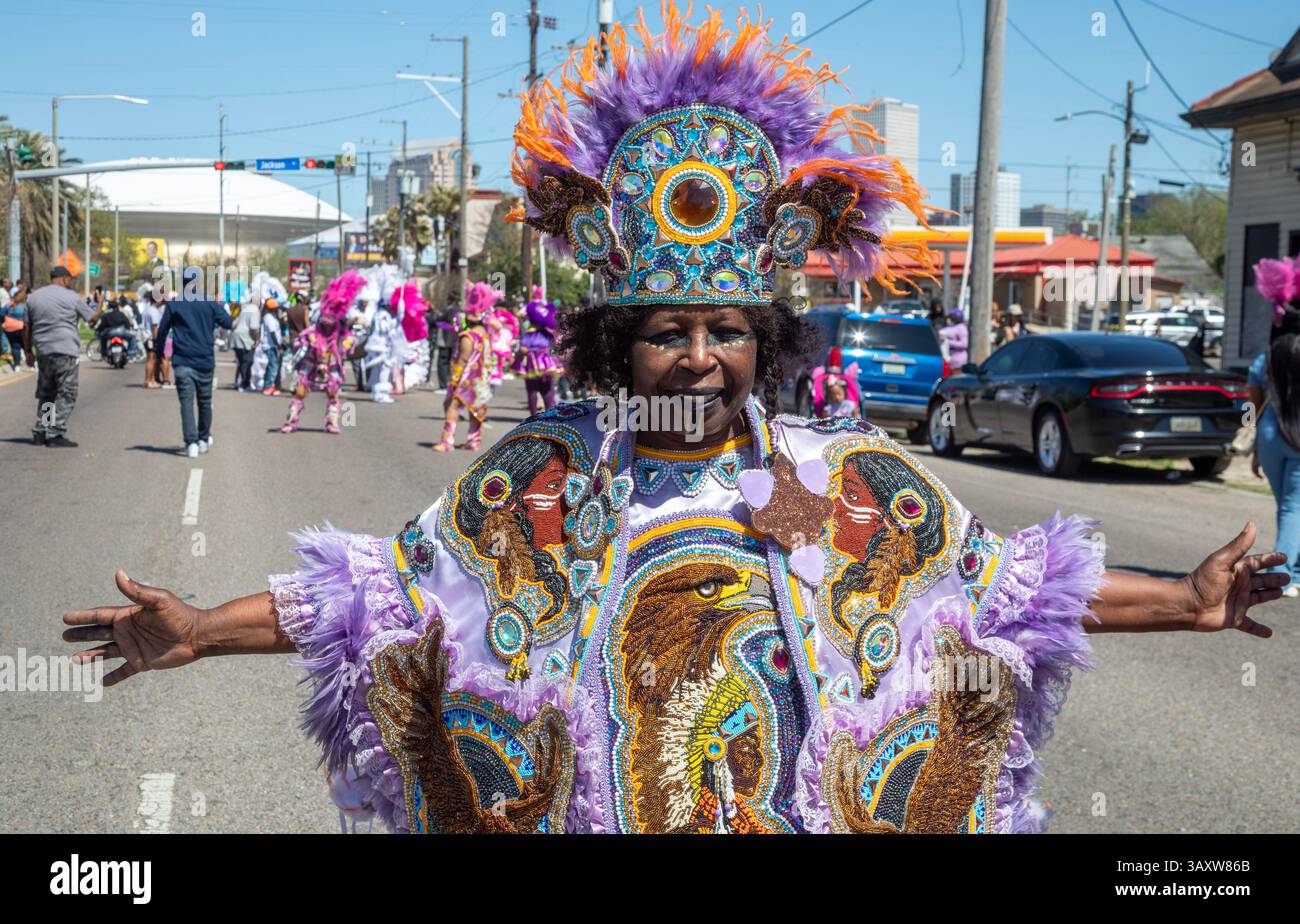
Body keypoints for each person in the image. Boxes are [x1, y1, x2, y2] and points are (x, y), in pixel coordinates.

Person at [62, 5, 1287, 836]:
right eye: (666, 332)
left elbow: (1003, 592)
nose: (698, 358)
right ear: (615, 342)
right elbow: (383, 594)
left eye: (726, 332)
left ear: (765, 342)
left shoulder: (851, 478)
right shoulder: (540, 474)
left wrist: (1186, 601)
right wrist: (201, 633)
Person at [1248, 254, 1300, 597]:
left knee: (1288, 506)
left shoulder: (1267, 355)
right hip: (1296, 436)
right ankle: (1285, 574)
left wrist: (1253, 438)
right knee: (1293, 507)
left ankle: (1291, 567)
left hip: (1268, 435)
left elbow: (1251, 399)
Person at [154, 266, 233, 457]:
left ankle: (191, 443)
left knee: (186, 403)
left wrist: (159, 352)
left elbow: (162, 330)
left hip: (182, 360)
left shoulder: (175, 304)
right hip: (205, 360)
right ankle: (204, 438)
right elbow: (228, 323)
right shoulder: (209, 303)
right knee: (205, 401)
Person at [281, 272, 363, 435]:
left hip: (331, 364)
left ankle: (332, 423)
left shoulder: (342, 334)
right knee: (300, 392)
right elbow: (301, 342)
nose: (327, 324)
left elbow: (351, 343)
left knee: (333, 393)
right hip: (311, 363)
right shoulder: (312, 331)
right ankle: (291, 421)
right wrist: (304, 345)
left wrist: (346, 342)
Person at [24, 267, 99, 446]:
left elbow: (26, 326)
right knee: (67, 393)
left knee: (47, 392)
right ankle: (55, 433)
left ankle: (41, 431)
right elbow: (92, 319)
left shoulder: (33, 297)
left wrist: (28, 351)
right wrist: (100, 304)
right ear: (65, 279)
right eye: (70, 279)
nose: (70, 282)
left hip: (43, 350)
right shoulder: (72, 297)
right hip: (65, 350)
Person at [433, 281, 496, 451]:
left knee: (453, 407)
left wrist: (453, 381)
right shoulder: (485, 336)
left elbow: (462, 360)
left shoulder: (468, 336)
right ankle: (473, 442)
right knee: (475, 411)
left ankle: (447, 442)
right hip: (482, 379)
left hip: (467, 380)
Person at [514, 285, 564, 414]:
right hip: (548, 365)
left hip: (533, 365)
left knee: (532, 390)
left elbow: (524, 350)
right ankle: (549, 414)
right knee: (547, 390)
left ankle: (534, 416)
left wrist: (517, 361)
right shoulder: (548, 334)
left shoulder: (529, 334)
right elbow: (555, 346)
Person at [811, 347, 860, 418]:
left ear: (844, 394)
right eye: (833, 395)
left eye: (839, 394)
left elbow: (855, 411)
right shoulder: (828, 408)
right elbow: (823, 417)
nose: (836, 397)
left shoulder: (849, 404)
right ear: (829, 397)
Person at [229, 298, 260, 392]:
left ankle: (242, 383)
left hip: (237, 336)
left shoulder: (244, 308)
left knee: (243, 362)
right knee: (247, 362)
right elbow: (254, 327)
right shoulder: (254, 309)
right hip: (245, 338)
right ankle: (244, 384)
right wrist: (257, 339)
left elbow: (234, 322)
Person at [255, 298, 283, 396]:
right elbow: (272, 333)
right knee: (272, 366)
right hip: (271, 345)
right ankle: (268, 386)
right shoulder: (269, 318)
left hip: (272, 345)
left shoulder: (270, 316)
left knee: (271, 366)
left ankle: (268, 385)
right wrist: (278, 345)